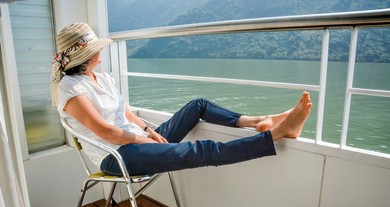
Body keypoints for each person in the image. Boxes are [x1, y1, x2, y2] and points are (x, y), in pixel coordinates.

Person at [51, 22, 312, 176]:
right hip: (116, 156)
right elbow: (106, 131)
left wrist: (150, 131)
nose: (101, 52)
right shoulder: (70, 88)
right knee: (202, 150)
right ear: (83, 56)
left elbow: (126, 114)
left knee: (198, 105)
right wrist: (143, 139)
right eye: (96, 49)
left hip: (137, 140)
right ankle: (275, 134)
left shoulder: (102, 77)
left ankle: (259, 121)